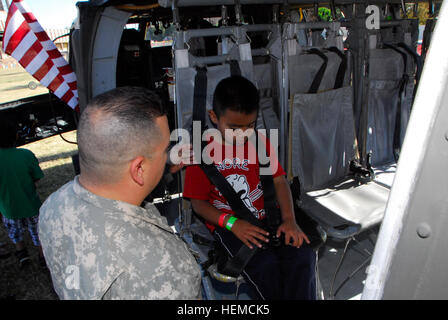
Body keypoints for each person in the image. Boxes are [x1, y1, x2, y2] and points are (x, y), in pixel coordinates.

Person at [38, 87, 201, 300]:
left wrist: (162, 164)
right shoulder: (162, 265)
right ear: (139, 168)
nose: (168, 154)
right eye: (165, 150)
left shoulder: (53, 205)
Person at [183, 76, 317, 300]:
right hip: (228, 224)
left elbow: (279, 181)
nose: (243, 134)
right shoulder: (202, 152)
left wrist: (289, 220)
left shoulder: (259, 142)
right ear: (214, 117)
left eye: (250, 125)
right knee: (265, 265)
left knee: (303, 257)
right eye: (234, 128)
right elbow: (198, 203)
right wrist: (233, 224)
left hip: (268, 218)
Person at [0, 118, 45, 268]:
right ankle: (42, 257)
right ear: (16, 136)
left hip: (8, 209)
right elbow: (37, 177)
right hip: (32, 205)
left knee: (15, 233)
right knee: (38, 233)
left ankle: (22, 254)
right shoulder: (26, 154)